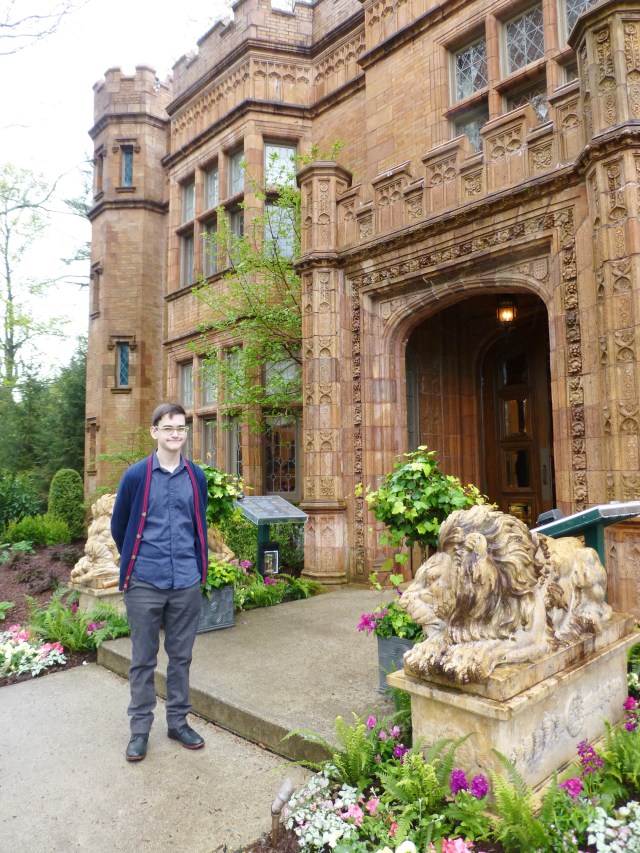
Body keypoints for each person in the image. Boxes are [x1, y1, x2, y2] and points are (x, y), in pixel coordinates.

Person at [111, 402, 209, 762]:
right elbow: (119, 526)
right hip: (145, 583)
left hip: (186, 581)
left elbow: (198, 524)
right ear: (154, 432)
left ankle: (178, 722)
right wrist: (137, 566)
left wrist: (198, 571)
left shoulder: (196, 477)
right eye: (168, 428)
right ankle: (139, 730)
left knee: (181, 658)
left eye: (181, 428)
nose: (175, 434)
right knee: (142, 659)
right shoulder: (136, 476)